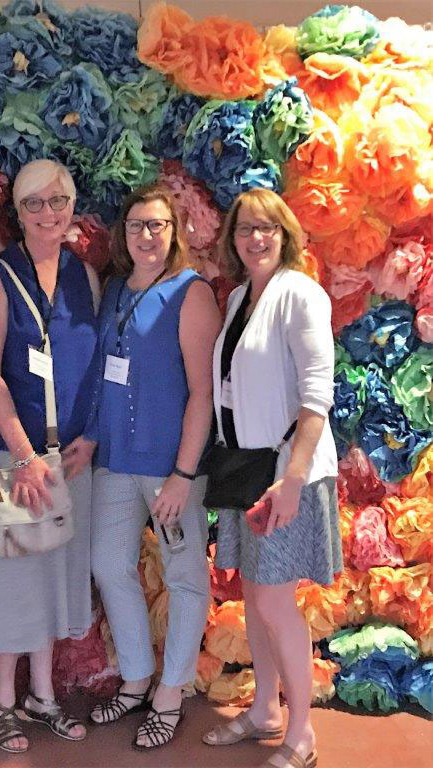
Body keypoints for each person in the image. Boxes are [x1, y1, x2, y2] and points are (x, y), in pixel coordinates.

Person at [201, 188, 340, 768]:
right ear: (233, 240)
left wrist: (292, 478)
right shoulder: (238, 299)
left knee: (277, 604)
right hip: (246, 469)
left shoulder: (300, 295)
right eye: (244, 230)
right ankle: (265, 710)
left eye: (267, 228)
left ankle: (301, 733)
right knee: (256, 599)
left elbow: (316, 399)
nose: (255, 238)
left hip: (288, 477)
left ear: (285, 235)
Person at [0, 158, 100, 754]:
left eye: (59, 200)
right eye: (35, 203)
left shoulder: (85, 276)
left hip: (71, 460)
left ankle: (42, 696)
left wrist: (90, 437)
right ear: (17, 213)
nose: (50, 213)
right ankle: (3, 698)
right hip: (18, 459)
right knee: (15, 575)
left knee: (55, 575)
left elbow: (97, 368)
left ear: (73, 206)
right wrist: (23, 455)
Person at [88, 185, 221, 749]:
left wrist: (183, 475)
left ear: (176, 233)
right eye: (138, 224)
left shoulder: (190, 294)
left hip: (171, 466)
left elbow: (202, 393)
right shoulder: (116, 290)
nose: (147, 235)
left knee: (185, 574)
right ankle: (137, 676)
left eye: (158, 225)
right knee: (107, 563)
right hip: (116, 460)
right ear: (125, 232)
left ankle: (170, 693)